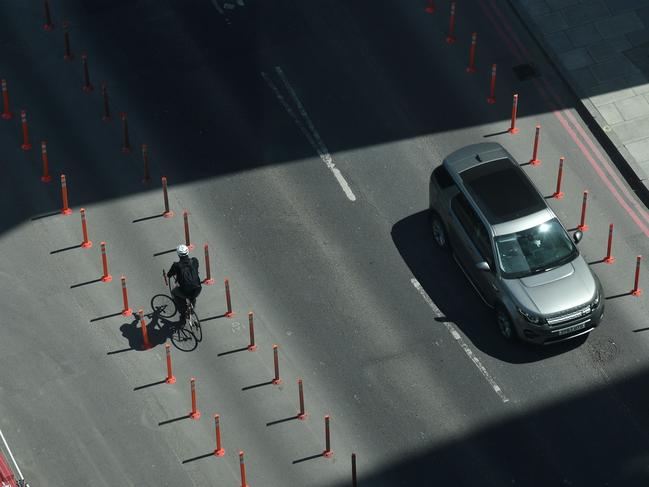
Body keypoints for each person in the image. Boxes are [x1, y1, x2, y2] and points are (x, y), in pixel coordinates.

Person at [167, 244, 202, 323]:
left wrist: (170, 275)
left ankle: (183, 315)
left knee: (175, 293)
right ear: (187, 252)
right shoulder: (194, 260)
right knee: (192, 295)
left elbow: (169, 274)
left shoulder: (176, 265)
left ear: (178, 254)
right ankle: (192, 308)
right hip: (198, 289)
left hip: (186, 291)